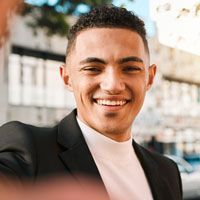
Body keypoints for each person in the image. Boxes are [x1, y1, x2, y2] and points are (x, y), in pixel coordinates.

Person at [0, 5, 182, 200]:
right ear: (67, 78)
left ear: (150, 78)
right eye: (93, 68)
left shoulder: (168, 171)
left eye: (130, 68)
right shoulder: (29, 149)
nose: (113, 85)